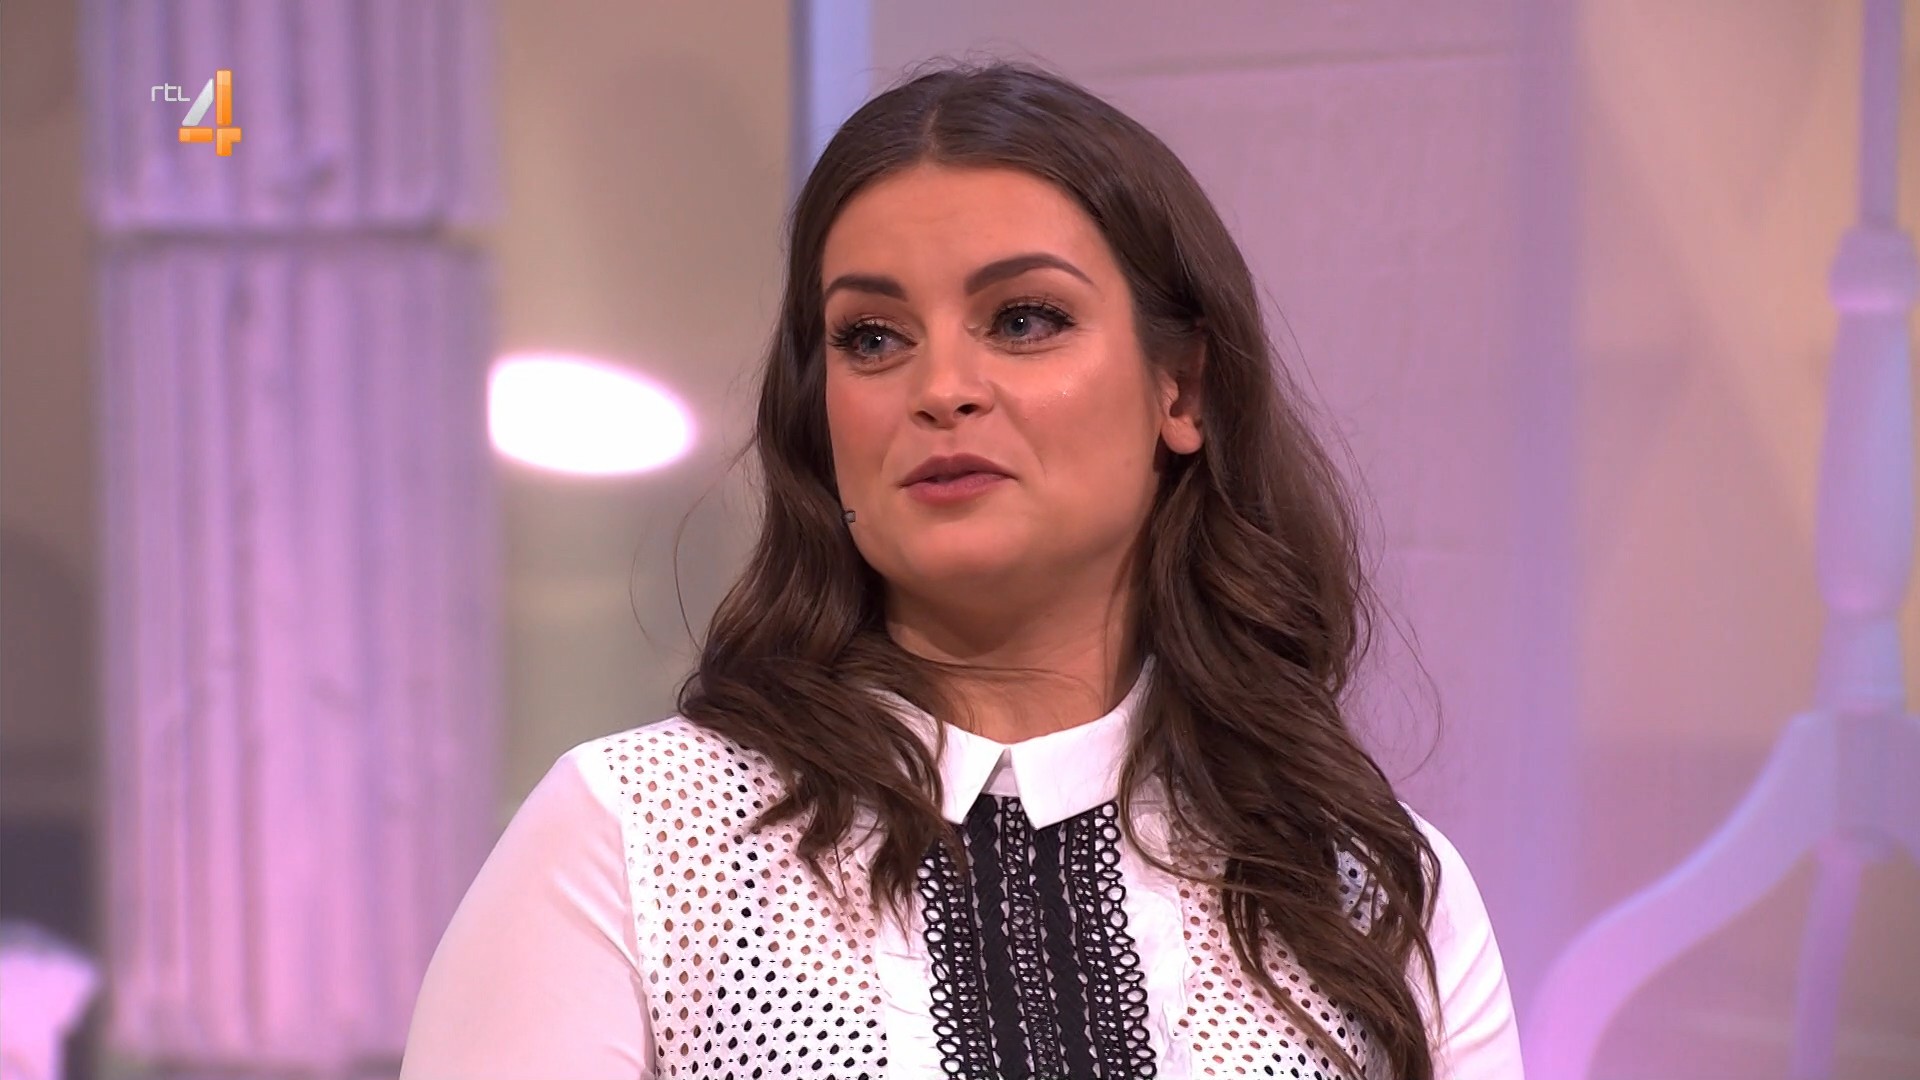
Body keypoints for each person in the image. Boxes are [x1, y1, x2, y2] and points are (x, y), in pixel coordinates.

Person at [399, 60, 1524, 1080]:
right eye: (872, 338)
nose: (941, 388)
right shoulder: (642, 837)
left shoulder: (1367, 894)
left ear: (1181, 390)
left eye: (1023, 320)